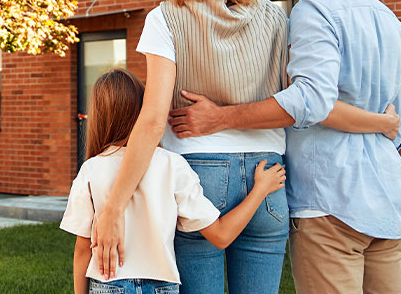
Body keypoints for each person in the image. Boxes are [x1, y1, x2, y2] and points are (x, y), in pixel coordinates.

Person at [89, 0, 398, 294]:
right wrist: (384, 122)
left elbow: (152, 120)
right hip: (268, 177)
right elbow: (306, 100)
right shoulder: (277, 18)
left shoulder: (166, 17)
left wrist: (113, 206)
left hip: (197, 178)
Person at [61, 68, 287, 294]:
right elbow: (221, 236)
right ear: (144, 110)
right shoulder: (172, 165)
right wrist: (260, 189)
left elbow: (83, 250)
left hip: (108, 285)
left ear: (99, 117)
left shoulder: (90, 170)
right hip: (162, 287)